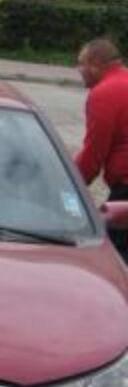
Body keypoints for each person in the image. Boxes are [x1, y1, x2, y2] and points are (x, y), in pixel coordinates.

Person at [75, 37, 128, 261]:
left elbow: (93, 155)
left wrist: (69, 185)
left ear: (95, 64)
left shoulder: (104, 94)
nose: (78, 70)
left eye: (81, 63)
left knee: (109, 259)